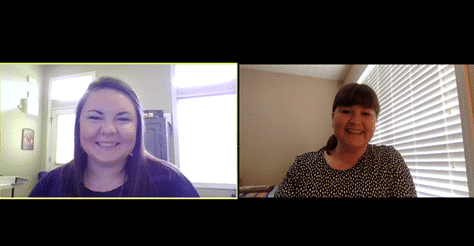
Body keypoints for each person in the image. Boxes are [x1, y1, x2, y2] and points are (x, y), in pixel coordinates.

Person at [30, 77, 200, 197]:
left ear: (138, 128)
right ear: (79, 126)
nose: (108, 130)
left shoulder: (171, 183)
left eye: (123, 119)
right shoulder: (51, 185)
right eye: (95, 117)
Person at [275, 83, 417, 198]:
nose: (355, 121)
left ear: (375, 122)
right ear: (333, 117)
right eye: (346, 111)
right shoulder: (302, 166)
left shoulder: (389, 160)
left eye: (366, 113)